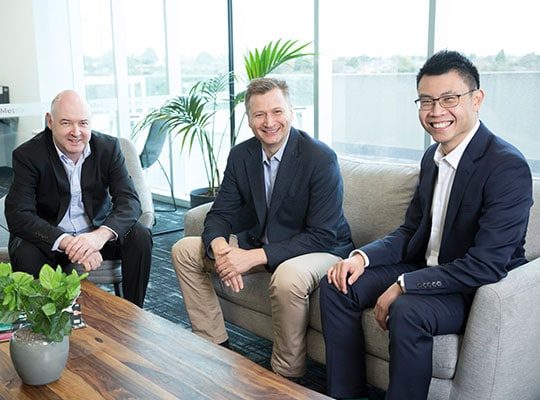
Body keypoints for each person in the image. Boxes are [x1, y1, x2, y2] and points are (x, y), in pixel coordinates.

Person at [320, 50, 533, 400]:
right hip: (426, 266)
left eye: (449, 99)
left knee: (409, 310)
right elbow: (410, 231)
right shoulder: (431, 158)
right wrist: (361, 258)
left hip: (471, 287)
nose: (436, 112)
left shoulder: (506, 166)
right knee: (338, 283)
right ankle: (347, 393)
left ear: (476, 99)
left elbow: (486, 264)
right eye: (426, 101)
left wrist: (405, 285)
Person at [172, 77, 354, 379]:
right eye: (259, 114)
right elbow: (220, 213)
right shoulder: (242, 155)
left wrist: (251, 257)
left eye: (277, 112)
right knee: (184, 250)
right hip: (262, 245)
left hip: (321, 250)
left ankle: (286, 376)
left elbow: (323, 234)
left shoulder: (319, 158)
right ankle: (214, 346)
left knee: (288, 277)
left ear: (291, 112)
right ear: (249, 119)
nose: (269, 122)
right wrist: (221, 249)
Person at [4, 90, 152, 307]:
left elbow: (129, 200)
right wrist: (68, 242)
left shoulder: (108, 148)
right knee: (26, 251)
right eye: (66, 123)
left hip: (94, 233)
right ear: (50, 121)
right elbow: (18, 214)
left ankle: (134, 310)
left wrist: (99, 237)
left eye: (83, 123)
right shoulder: (29, 155)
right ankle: (42, 320)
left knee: (140, 235)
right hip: (49, 238)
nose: (76, 132)